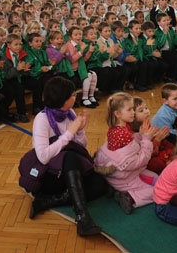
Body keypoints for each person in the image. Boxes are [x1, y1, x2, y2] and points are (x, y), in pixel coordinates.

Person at [27, 76, 106, 236]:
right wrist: (69, 133)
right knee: (69, 156)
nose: (74, 96)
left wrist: (79, 130)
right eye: (71, 95)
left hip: (69, 173)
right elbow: (43, 157)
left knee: (101, 184)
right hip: (50, 175)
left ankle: (48, 201)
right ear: (62, 98)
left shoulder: (69, 113)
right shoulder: (42, 119)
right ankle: (82, 218)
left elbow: (81, 146)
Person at [93, 92, 158, 214]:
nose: (133, 112)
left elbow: (131, 147)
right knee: (159, 190)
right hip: (124, 179)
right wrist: (147, 139)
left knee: (156, 178)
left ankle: (115, 189)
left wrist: (141, 135)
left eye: (133, 109)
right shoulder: (123, 134)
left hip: (121, 173)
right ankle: (129, 197)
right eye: (129, 110)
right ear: (117, 114)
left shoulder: (116, 129)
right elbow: (140, 160)